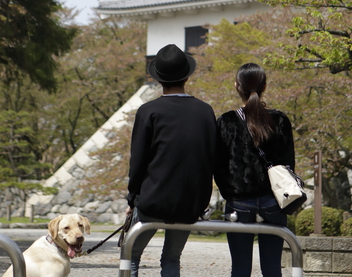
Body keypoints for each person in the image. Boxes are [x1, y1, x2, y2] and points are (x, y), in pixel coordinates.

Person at [126, 43, 216, 277]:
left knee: (131, 257)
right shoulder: (205, 111)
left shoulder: (148, 111)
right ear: (187, 76)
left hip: (153, 199)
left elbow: (138, 160)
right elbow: (210, 158)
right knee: (172, 258)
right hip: (189, 202)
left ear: (158, 79)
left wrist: (132, 196)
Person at [215, 63, 295, 277]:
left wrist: (230, 194)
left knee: (240, 268)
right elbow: (288, 164)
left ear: (236, 86)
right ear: (265, 86)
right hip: (273, 201)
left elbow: (219, 166)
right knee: (272, 269)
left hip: (238, 202)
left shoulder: (226, 121)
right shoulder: (279, 120)